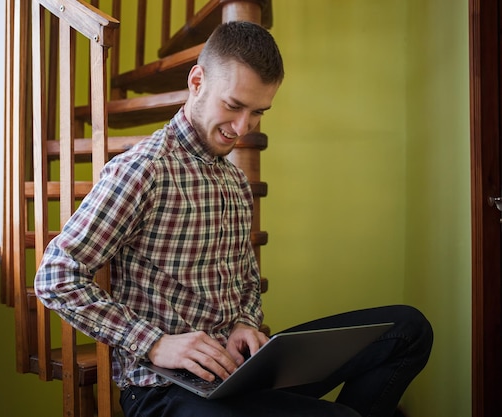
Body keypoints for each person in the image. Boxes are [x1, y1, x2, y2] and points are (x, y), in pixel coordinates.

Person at [34, 21, 433, 417]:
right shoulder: (143, 171)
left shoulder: (236, 181)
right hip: (165, 388)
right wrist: (156, 343)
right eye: (233, 105)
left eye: (258, 111)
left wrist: (245, 323)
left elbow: (243, 280)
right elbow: (56, 276)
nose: (243, 128)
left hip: (240, 370)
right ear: (196, 81)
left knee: (408, 329)